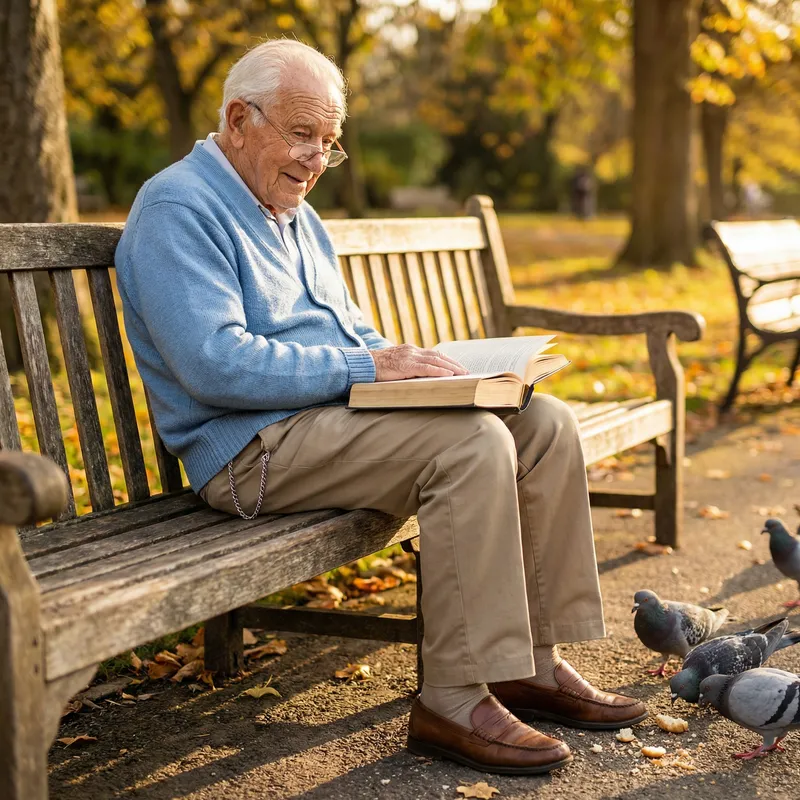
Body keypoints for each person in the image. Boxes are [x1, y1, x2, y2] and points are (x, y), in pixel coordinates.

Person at [115, 39, 647, 776]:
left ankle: (529, 660)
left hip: (330, 421)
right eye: (302, 134)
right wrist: (370, 366)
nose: (314, 159)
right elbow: (214, 363)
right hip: (251, 448)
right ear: (238, 118)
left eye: (327, 144)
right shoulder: (179, 205)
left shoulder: (293, 211)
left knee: (541, 422)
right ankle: (453, 699)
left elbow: (354, 334)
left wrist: (434, 372)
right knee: (469, 447)